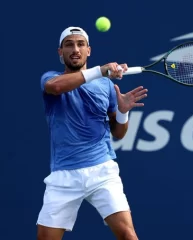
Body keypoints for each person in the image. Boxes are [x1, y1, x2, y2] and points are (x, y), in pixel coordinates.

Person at [36, 26, 147, 240]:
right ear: (60, 52)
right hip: (64, 175)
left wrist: (122, 112)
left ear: (89, 50)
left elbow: (119, 134)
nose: (75, 49)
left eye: (80, 44)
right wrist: (100, 70)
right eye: (69, 45)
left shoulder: (106, 86)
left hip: (102, 172)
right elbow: (57, 88)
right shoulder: (50, 79)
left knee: (127, 234)